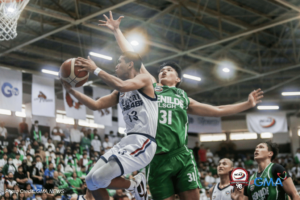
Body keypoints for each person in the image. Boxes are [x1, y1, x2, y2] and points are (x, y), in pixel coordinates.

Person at [101, 11, 264, 200]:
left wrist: (247, 104)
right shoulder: (151, 87)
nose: (164, 71)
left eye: (169, 70)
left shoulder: (183, 97)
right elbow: (134, 57)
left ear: (177, 79)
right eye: (162, 70)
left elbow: (217, 111)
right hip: (155, 157)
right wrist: (117, 31)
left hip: (180, 155)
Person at [61, 47, 158, 200]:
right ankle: (134, 185)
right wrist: (71, 91)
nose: (116, 66)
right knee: (90, 181)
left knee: (99, 179)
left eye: (119, 62)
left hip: (143, 141)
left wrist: (95, 69)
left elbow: (121, 85)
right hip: (126, 141)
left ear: (130, 64)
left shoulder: (145, 79)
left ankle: (134, 185)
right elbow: (96, 105)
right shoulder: (121, 92)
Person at [232, 142, 300, 200]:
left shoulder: (277, 169)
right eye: (256, 148)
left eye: (261, 147)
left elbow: (294, 195)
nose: (257, 149)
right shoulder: (250, 179)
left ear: (270, 153)